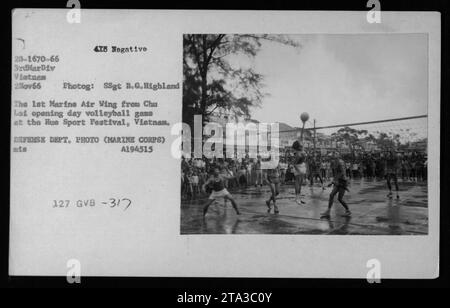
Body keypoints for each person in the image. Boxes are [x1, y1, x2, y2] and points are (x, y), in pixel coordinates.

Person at [321, 152, 351, 217]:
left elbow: (342, 172)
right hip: (338, 182)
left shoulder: (341, 162)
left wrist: (334, 181)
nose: (332, 157)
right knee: (331, 195)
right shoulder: (335, 162)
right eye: (332, 156)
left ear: (337, 156)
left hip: (343, 182)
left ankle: (348, 210)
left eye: (333, 155)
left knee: (340, 198)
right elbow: (336, 173)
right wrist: (332, 182)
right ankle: (328, 211)